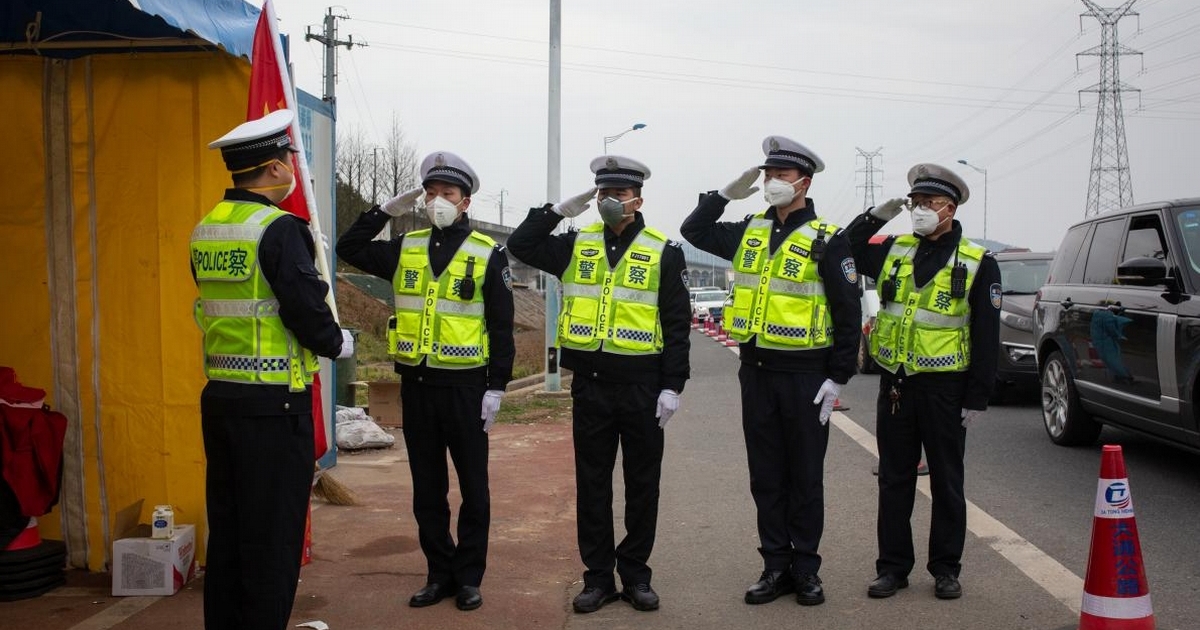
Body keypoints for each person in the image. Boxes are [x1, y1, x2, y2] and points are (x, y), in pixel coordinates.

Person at [680, 137, 861, 606]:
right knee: (766, 475)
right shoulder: (749, 230)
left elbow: (847, 313)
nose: (770, 183)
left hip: (806, 376)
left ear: (803, 182)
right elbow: (694, 231)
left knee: (804, 475)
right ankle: (774, 566)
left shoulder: (828, 237)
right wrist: (723, 194)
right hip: (756, 371)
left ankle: (806, 570)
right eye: (766, 176)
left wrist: (837, 377)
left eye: (780, 176)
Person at [192, 109, 354, 630]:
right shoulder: (280, 229)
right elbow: (305, 309)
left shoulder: (208, 228)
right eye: (288, 157)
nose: (292, 165)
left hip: (222, 398)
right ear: (276, 167)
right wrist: (337, 341)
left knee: (232, 529)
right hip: (273, 406)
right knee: (273, 537)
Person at [507, 156, 691, 614]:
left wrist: (674, 385)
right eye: (603, 193)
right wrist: (557, 212)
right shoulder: (576, 244)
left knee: (642, 485)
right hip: (590, 385)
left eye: (620, 193)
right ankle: (597, 579)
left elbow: (677, 323)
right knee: (592, 485)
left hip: (643, 387)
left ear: (638, 199)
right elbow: (522, 244)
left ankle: (635, 576)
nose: (611, 201)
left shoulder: (663, 250)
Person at [336, 151, 515, 611]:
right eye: (431, 193)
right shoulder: (406, 247)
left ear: (465, 202)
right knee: (427, 489)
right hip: (417, 387)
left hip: (467, 389)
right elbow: (348, 248)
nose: (437, 200)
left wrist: (498, 386)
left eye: (447, 194)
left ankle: (470, 577)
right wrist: (384, 211)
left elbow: (500, 325)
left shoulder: (487, 254)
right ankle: (439, 573)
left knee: (474, 487)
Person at [843, 163, 1000, 601]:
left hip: (946, 388)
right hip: (897, 384)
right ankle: (892, 568)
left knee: (948, 480)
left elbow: (987, 334)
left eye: (929, 203)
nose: (920, 210)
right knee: (894, 478)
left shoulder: (977, 262)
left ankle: (946, 568)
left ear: (950, 208)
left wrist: (977, 397)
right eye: (915, 202)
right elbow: (846, 246)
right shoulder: (895, 249)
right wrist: (878, 215)